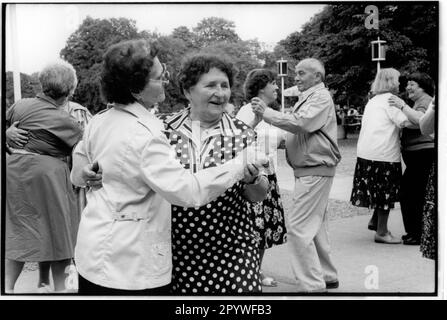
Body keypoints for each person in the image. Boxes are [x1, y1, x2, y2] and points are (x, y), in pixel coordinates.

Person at [70, 40, 267, 295]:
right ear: (136, 87)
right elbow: (188, 191)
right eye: (159, 77)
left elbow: (80, 153)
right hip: (134, 262)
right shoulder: (154, 130)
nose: (165, 80)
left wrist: (85, 172)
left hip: (99, 252)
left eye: (224, 85)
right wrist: (240, 164)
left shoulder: (101, 119)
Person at [163, 53, 270, 294]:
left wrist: (252, 179)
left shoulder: (244, 133)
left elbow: (259, 195)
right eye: (210, 85)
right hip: (175, 250)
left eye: (225, 85)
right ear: (188, 91)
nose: (220, 93)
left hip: (232, 249)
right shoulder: (164, 130)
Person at [252, 58, 341, 292]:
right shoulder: (312, 97)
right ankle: (326, 275)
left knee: (299, 228)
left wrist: (267, 114)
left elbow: (301, 123)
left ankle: (312, 285)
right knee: (316, 226)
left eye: (302, 73)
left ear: (317, 77)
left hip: (314, 170)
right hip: (312, 169)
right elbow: (301, 131)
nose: (296, 77)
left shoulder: (320, 97)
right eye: (296, 73)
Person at [5, 60, 83, 293]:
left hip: (14, 174)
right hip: (47, 178)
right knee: (59, 235)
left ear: (42, 83)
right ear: (70, 91)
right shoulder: (68, 122)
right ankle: (61, 290)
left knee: (18, 229)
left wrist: (7, 132)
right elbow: (84, 150)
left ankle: (6, 289)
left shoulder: (19, 106)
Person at [236, 68, 287, 287]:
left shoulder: (270, 111)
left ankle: (256, 270)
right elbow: (238, 142)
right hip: (255, 177)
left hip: (270, 175)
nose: (277, 87)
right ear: (260, 86)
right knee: (254, 229)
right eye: (273, 83)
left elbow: (281, 140)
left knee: (264, 229)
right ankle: (252, 273)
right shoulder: (248, 111)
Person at [350, 68, 413, 245]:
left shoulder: (373, 101)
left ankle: (375, 221)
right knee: (385, 194)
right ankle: (382, 232)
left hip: (366, 152)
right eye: (398, 79)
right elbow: (406, 122)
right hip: (384, 153)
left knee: (376, 190)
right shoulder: (391, 101)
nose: (400, 83)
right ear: (391, 81)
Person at [388, 73, 435, 245]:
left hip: (423, 154)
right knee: (414, 194)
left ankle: (418, 233)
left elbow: (420, 120)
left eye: (412, 84)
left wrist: (402, 107)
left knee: (411, 194)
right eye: (407, 84)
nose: (408, 88)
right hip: (416, 154)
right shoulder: (418, 103)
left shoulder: (427, 101)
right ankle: (416, 232)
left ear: (423, 86)